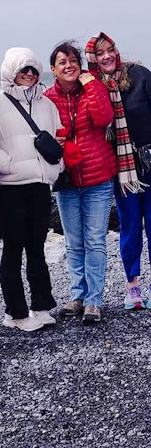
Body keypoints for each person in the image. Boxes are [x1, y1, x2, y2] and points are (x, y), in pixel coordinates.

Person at [0, 47, 62, 331]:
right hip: (10, 188)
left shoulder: (47, 105)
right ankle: (15, 312)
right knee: (13, 250)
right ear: (10, 72)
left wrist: (55, 169)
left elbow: (58, 140)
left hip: (40, 186)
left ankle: (41, 306)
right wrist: (9, 166)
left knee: (37, 249)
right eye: (23, 70)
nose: (29, 74)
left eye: (33, 69)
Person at [44, 41, 117, 323]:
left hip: (97, 177)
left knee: (95, 240)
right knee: (74, 242)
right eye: (62, 62)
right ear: (53, 69)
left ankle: (94, 301)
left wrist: (91, 84)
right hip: (67, 180)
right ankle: (78, 295)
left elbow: (104, 118)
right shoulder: (48, 97)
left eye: (73, 60)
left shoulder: (93, 89)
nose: (68, 65)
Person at [85, 32, 151, 311]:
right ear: (93, 60)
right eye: (100, 53)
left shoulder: (139, 75)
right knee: (130, 225)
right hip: (122, 170)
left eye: (110, 50)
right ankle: (132, 286)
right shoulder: (93, 87)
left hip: (149, 162)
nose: (107, 56)